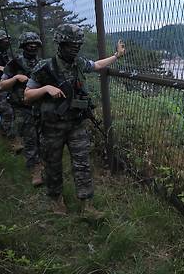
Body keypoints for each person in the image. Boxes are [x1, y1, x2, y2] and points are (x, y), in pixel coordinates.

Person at [24, 24, 125, 217]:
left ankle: (87, 206)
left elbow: (96, 65)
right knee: (53, 164)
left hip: (76, 124)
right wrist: (46, 89)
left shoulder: (78, 63)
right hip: (52, 126)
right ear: (61, 44)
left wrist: (116, 55)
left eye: (77, 45)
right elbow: (27, 95)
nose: (75, 49)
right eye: (71, 45)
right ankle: (56, 200)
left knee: (82, 163)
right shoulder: (45, 67)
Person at [0, 32, 44, 186]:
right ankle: (35, 170)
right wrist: (15, 78)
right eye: (29, 44)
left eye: (35, 44)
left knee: (43, 140)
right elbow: (2, 85)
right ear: (23, 46)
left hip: (41, 107)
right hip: (22, 108)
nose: (32, 46)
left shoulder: (43, 63)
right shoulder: (14, 64)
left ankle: (44, 165)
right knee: (30, 139)